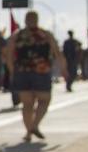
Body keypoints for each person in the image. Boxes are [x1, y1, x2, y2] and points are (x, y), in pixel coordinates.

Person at [6, 10, 63, 142]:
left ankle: (28, 131)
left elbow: (9, 55)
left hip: (22, 71)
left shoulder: (17, 35)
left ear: (25, 20)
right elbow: (57, 52)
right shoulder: (46, 34)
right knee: (44, 100)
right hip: (41, 72)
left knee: (27, 104)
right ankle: (35, 125)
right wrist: (63, 69)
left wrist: (12, 71)